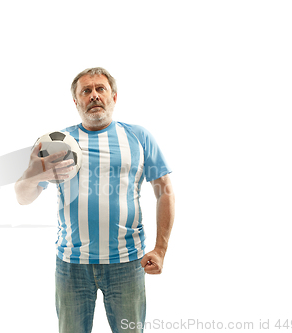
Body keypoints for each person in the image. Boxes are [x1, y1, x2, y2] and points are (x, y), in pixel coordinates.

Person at [14, 67, 175, 333]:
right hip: (72, 265)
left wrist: (160, 249)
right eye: (86, 91)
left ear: (114, 97)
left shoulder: (138, 137)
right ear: (76, 102)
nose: (94, 95)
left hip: (127, 263)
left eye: (101, 89)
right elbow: (23, 198)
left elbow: (164, 191)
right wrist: (31, 175)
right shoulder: (58, 143)